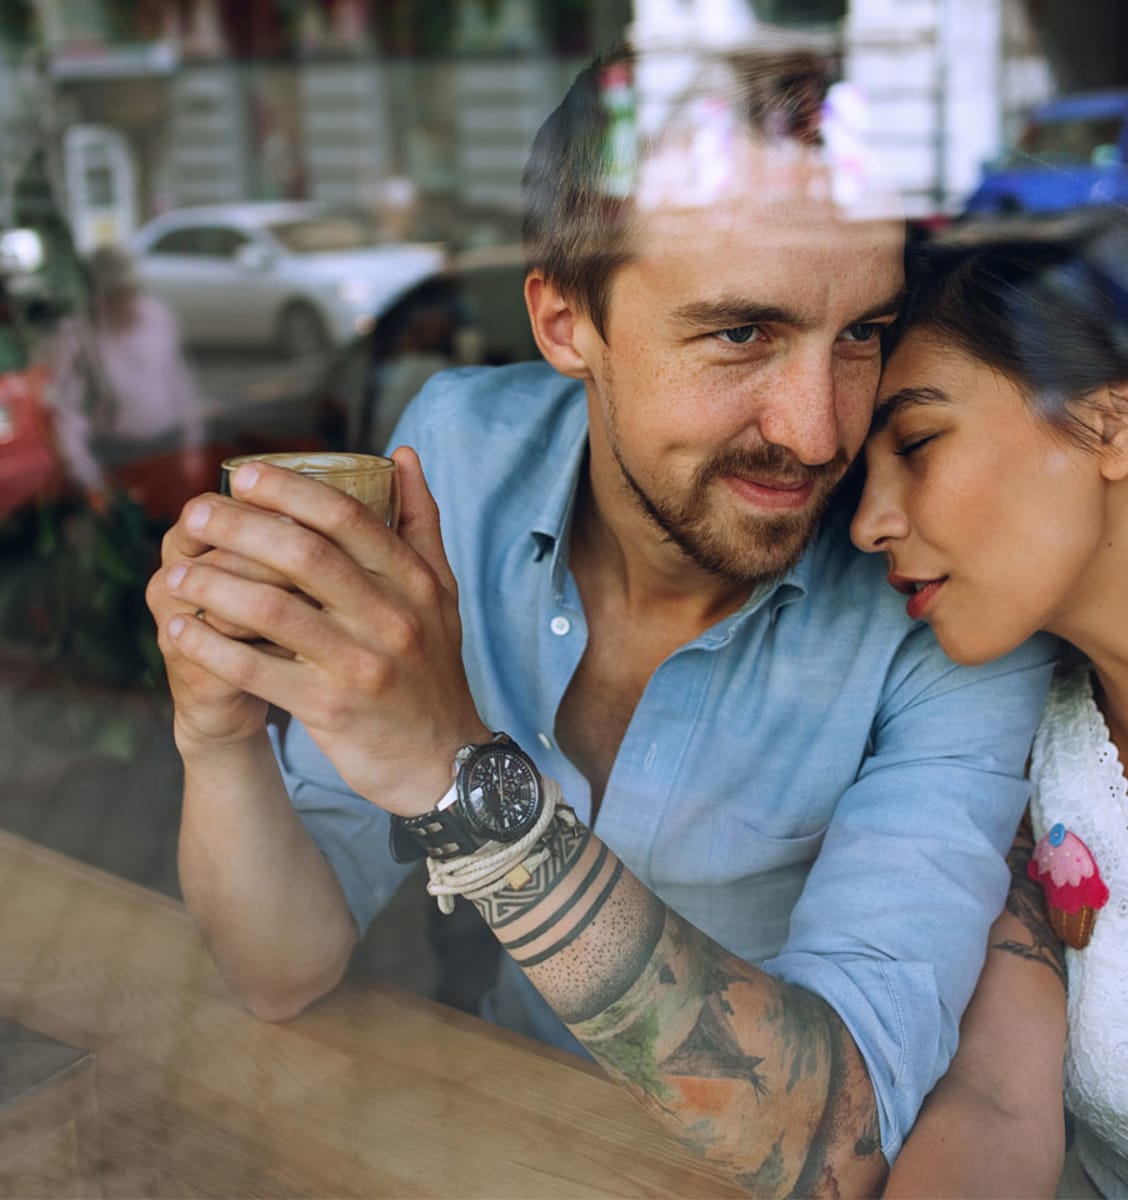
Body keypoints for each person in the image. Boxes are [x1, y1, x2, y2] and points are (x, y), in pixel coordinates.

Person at [145, 40, 1055, 1197]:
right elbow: (283, 968)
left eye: (862, 334)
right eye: (742, 334)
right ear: (565, 320)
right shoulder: (453, 460)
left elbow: (838, 1131)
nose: (821, 433)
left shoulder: (942, 591)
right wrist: (217, 740)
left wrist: (456, 776)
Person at [852, 191, 1128, 1198]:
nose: (869, 524)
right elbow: (995, 1099)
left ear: (1112, 418)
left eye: (916, 444)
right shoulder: (1020, 760)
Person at [46, 244, 206, 513]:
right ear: (97, 298)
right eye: (114, 295)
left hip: (169, 446)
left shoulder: (157, 318)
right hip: (118, 457)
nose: (125, 303)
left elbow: (179, 382)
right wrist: (91, 482)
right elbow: (69, 416)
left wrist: (193, 446)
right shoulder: (77, 340)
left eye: (129, 292)